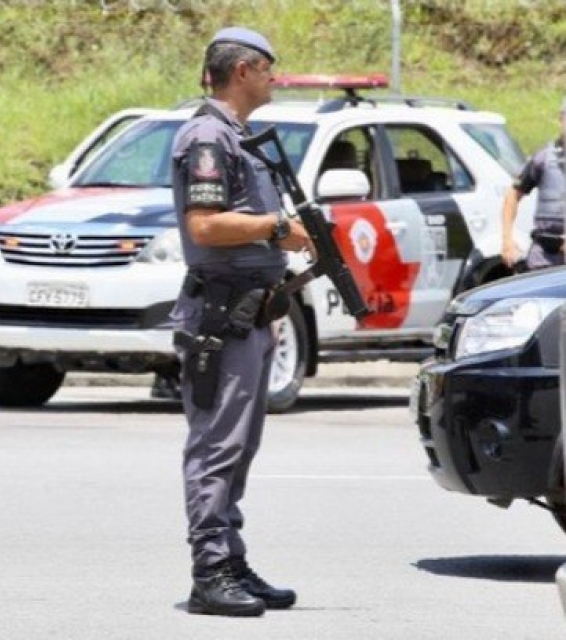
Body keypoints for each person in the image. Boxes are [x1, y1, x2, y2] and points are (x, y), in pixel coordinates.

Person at [169, 26, 314, 617]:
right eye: (270, 69)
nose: (275, 79)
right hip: (219, 313)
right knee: (216, 446)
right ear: (245, 70)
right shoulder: (208, 136)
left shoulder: (238, 137)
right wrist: (277, 227)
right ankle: (210, 572)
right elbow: (204, 225)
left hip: (249, 310)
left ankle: (230, 557)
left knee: (241, 444)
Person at [501, 100, 566, 271]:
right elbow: (513, 195)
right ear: (561, 120)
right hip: (544, 255)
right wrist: (507, 240)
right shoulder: (543, 158)